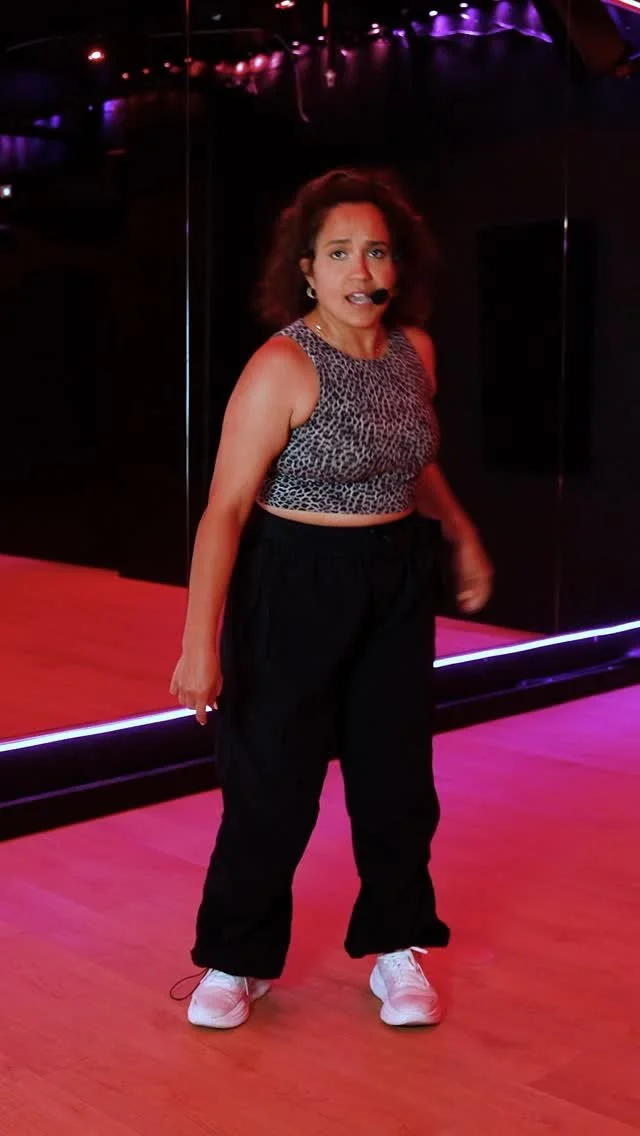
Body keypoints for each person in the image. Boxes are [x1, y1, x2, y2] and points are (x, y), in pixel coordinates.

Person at [170, 168, 493, 1031]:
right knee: (273, 781)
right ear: (307, 270)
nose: (361, 270)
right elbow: (224, 510)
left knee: (396, 779)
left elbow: (412, 459)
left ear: (397, 264)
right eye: (340, 252)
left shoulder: (413, 352)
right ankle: (235, 958)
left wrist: (461, 533)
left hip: (396, 578)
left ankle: (397, 946)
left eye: (376, 251)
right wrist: (199, 645)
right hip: (295, 580)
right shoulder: (282, 365)